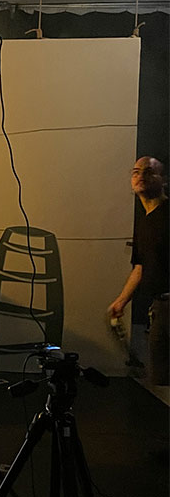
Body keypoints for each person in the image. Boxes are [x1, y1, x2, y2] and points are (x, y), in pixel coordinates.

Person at [108, 156, 168, 386]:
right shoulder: (144, 222)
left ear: (163, 179)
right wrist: (121, 302)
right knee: (161, 380)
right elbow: (140, 267)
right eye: (135, 172)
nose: (140, 176)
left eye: (148, 172)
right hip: (160, 309)